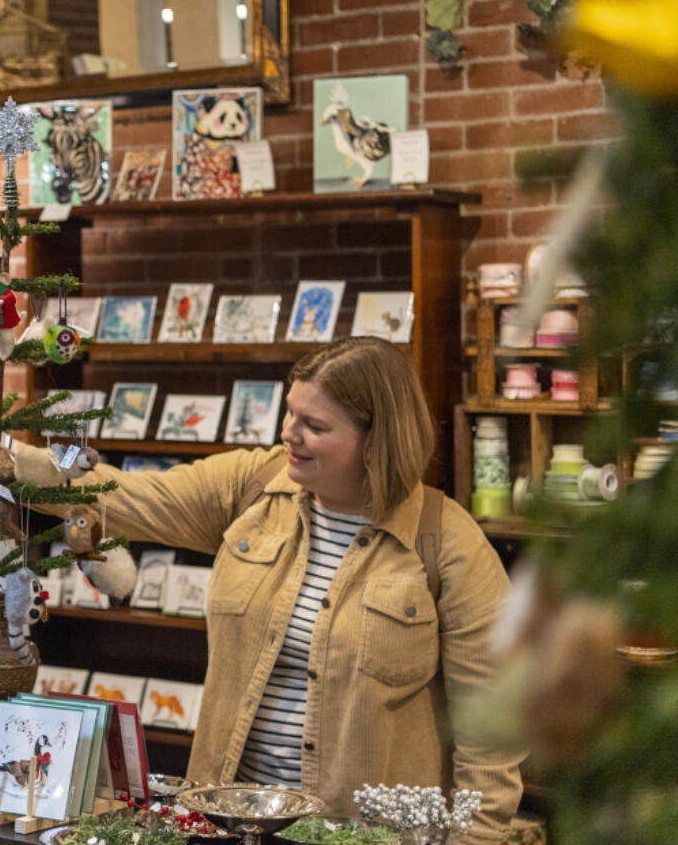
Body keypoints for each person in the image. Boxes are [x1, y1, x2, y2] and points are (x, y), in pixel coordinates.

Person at [39, 336, 524, 842]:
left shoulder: (447, 542)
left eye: (315, 426)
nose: (289, 433)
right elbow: (123, 496)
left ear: (378, 440)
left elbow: (493, 740)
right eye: (291, 413)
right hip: (225, 824)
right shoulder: (254, 486)